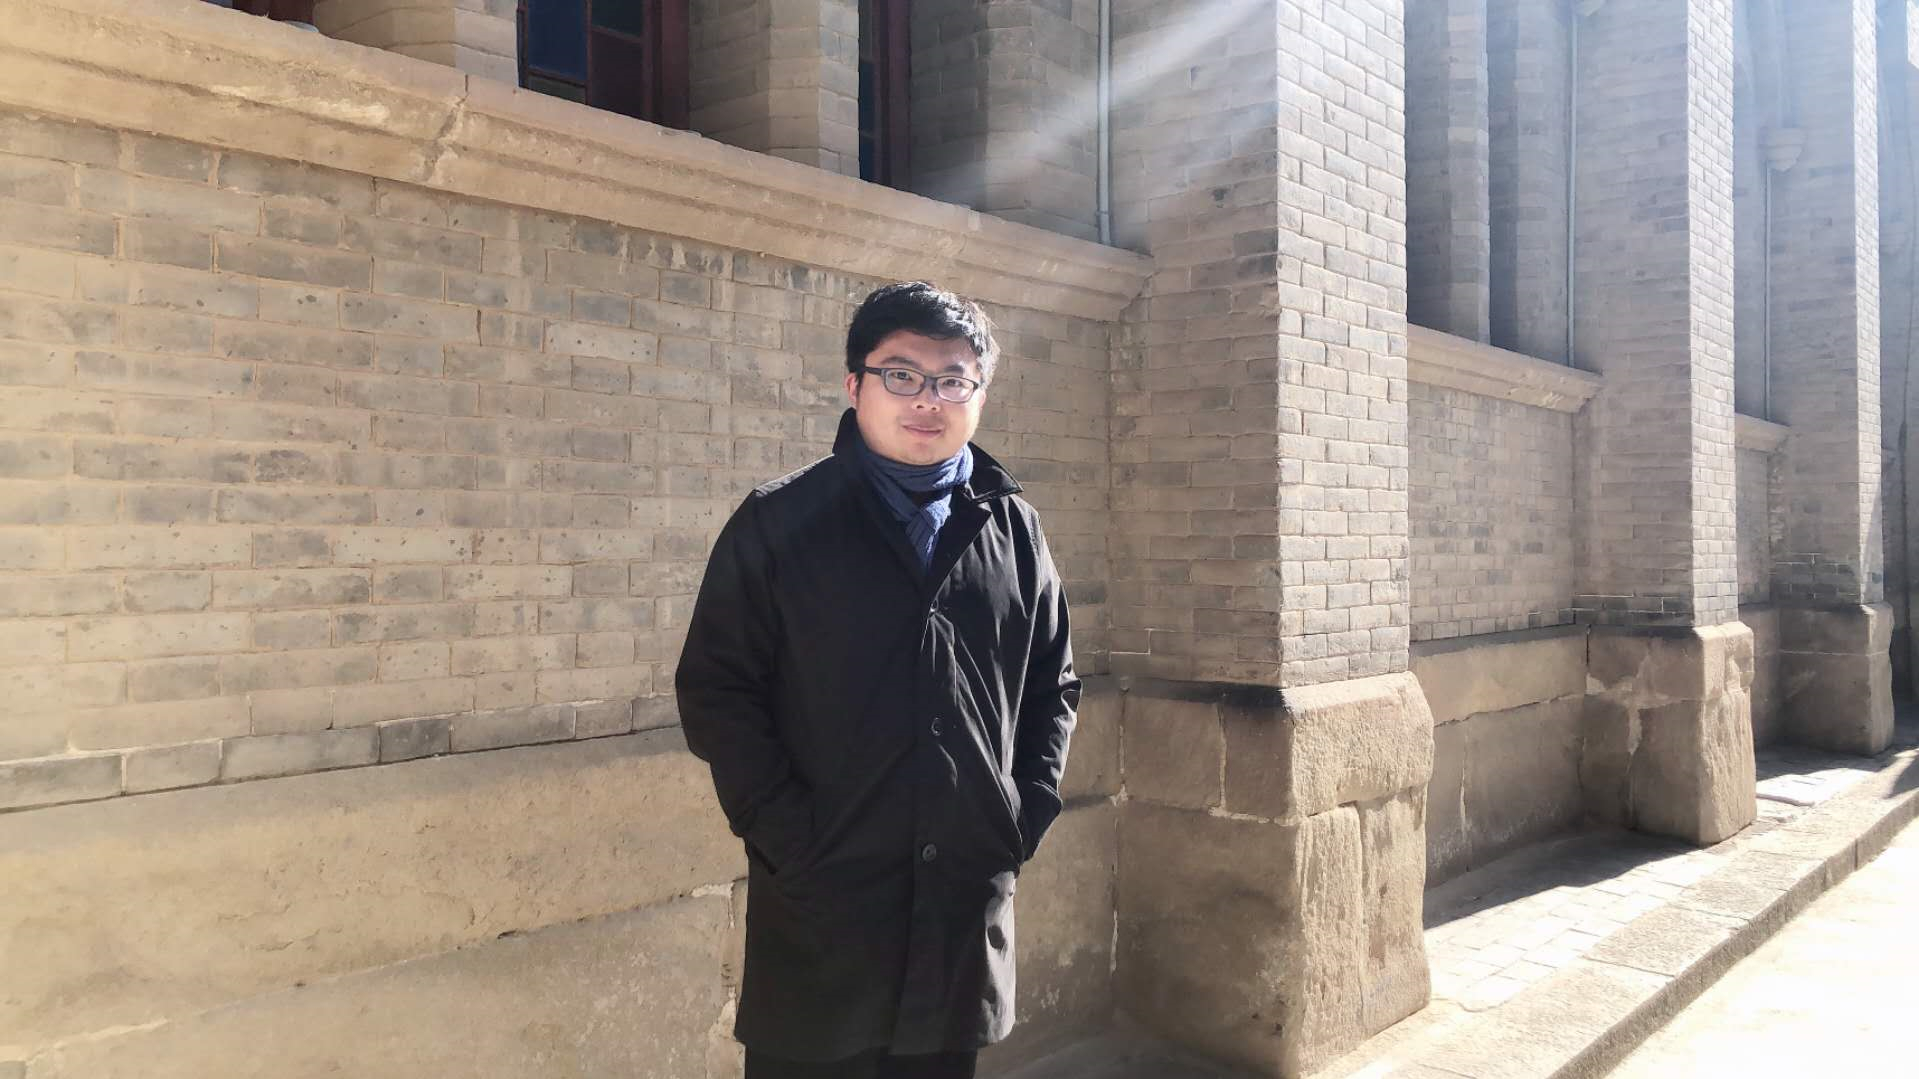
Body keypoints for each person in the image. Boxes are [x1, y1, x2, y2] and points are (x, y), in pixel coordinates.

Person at [676, 281, 1080, 1079]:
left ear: (979, 394)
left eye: (952, 379)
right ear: (853, 384)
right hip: (824, 902)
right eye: (901, 374)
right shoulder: (779, 520)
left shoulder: (1013, 528)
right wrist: (789, 838)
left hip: (961, 903)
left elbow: (1052, 684)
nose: (927, 399)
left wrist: (1020, 815)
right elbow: (717, 690)